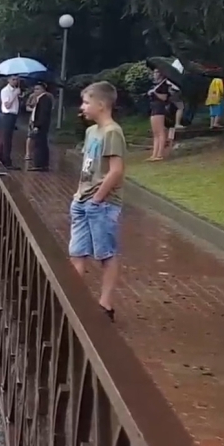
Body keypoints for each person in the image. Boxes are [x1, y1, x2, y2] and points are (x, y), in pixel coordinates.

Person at [70, 81, 127, 321]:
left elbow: (115, 170)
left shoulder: (112, 132)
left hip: (101, 204)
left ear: (101, 105)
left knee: (105, 253)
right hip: (82, 200)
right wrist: (78, 194)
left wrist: (97, 198)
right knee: (76, 251)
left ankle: (105, 303)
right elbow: (87, 167)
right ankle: (72, 299)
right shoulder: (90, 132)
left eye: (86, 102)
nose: (82, 107)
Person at [146, 64, 180, 160]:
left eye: (157, 72)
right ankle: (154, 154)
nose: (154, 74)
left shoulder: (164, 85)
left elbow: (164, 98)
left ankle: (160, 154)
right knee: (155, 133)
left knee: (160, 132)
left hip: (160, 108)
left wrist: (155, 93)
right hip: (153, 108)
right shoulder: (155, 85)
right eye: (154, 72)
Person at [28, 81, 54, 171]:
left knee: (39, 145)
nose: (35, 91)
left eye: (38, 89)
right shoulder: (39, 99)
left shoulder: (45, 99)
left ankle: (40, 164)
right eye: (35, 89)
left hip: (41, 126)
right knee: (40, 143)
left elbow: (43, 114)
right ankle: (42, 164)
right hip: (38, 124)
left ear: (43, 89)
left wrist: (37, 125)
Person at [0, 76, 21, 168]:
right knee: (6, 138)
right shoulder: (6, 91)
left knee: (8, 137)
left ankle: (3, 157)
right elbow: (7, 105)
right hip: (8, 115)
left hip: (13, 115)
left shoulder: (15, 90)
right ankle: (6, 160)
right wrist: (15, 95)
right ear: (8, 80)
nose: (15, 81)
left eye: (16, 79)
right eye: (13, 79)